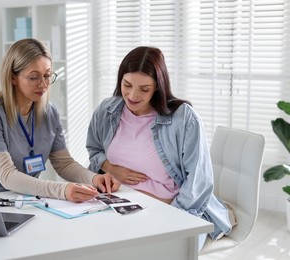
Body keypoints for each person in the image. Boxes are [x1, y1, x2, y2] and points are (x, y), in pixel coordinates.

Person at [86, 46, 234, 248]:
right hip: (115, 205)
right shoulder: (107, 109)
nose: (132, 95)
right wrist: (112, 169)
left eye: (144, 89)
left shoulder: (183, 119)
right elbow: (94, 150)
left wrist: (170, 214)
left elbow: (199, 181)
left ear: (158, 86)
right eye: (127, 85)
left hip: (171, 209)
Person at [0, 38, 120, 203]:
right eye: (34, 77)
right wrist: (61, 190)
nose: (43, 84)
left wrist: (93, 178)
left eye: (47, 75)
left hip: (26, 199)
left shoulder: (49, 112)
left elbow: (64, 164)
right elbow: (7, 176)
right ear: (13, 78)